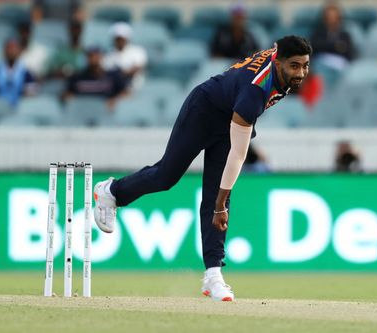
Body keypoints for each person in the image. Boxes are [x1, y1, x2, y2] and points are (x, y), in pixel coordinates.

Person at [92, 36, 312, 301]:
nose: (300, 73)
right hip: (204, 111)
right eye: (294, 66)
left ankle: (213, 276)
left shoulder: (279, 60)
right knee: (166, 177)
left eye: (305, 66)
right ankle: (112, 191)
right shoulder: (255, 92)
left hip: (229, 111)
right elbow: (239, 155)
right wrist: (221, 204)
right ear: (278, 62)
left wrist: (220, 202)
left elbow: (279, 48)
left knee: (216, 198)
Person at [62, 47, 129, 110]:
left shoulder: (113, 76)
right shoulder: (77, 77)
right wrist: (68, 97)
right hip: (82, 112)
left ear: (101, 57)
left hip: (106, 114)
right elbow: (67, 93)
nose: (94, 59)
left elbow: (126, 93)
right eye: (91, 56)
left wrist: (115, 99)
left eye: (96, 56)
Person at [103, 22, 148, 90]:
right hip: (114, 90)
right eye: (117, 39)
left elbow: (137, 69)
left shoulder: (137, 51)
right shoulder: (108, 54)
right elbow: (106, 72)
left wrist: (120, 73)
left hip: (136, 89)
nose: (120, 41)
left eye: (122, 39)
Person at [0, 38, 36, 108]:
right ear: (4, 50)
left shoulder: (26, 72)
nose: (11, 51)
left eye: (14, 48)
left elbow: (31, 93)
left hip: (19, 108)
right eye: (9, 48)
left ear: (19, 51)